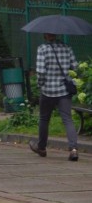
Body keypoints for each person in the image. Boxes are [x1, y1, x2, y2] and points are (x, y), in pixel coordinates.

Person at [29, 33, 80, 161]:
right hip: (64, 90)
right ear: (56, 34)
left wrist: (40, 85)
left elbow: (40, 71)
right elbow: (75, 67)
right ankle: (73, 149)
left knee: (44, 119)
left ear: (45, 35)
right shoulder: (67, 47)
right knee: (67, 119)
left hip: (47, 91)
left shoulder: (42, 49)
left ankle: (41, 148)